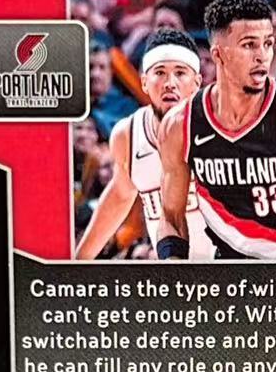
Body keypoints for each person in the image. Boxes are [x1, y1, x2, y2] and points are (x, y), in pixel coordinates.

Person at [159, 0, 276, 261]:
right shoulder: (180, 124)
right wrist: (172, 266)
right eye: (249, 45)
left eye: (267, 43)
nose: (263, 56)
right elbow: (171, 217)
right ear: (218, 55)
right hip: (233, 269)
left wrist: (268, 283)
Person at [75, 29, 208, 261]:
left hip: (225, 270)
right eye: (160, 72)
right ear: (144, 82)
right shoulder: (128, 134)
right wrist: (79, 262)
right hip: (170, 273)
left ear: (196, 83)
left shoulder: (218, 128)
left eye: (180, 73)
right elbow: (121, 194)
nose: (170, 83)